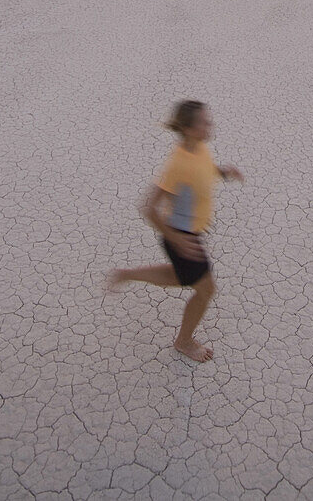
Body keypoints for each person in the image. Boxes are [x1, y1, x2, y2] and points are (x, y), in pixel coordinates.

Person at [105, 99, 244, 362]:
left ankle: (127, 275)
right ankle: (184, 341)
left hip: (189, 235)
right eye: (205, 122)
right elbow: (148, 207)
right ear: (191, 129)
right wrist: (176, 239)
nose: (210, 125)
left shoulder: (200, 148)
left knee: (181, 277)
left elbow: (205, 170)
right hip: (182, 237)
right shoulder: (178, 164)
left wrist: (224, 173)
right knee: (205, 290)